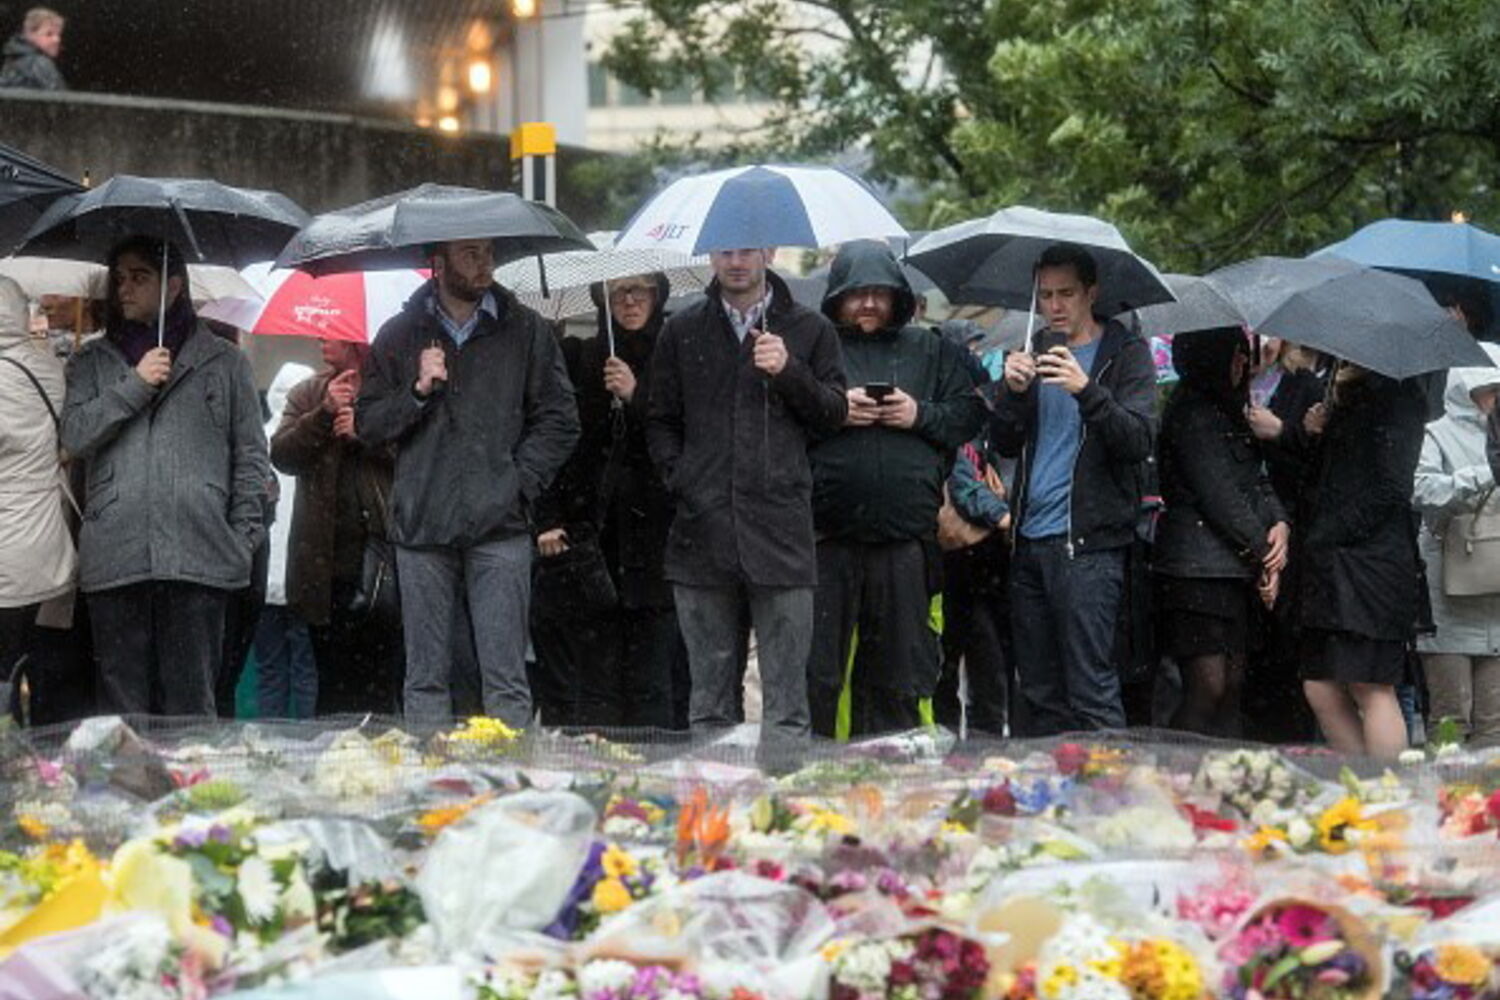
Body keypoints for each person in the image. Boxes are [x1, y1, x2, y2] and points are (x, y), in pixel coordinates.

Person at [357, 239, 579, 729]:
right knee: (425, 679)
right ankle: (432, 771)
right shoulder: (399, 334)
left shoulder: (526, 330)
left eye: (488, 253)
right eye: (471, 254)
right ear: (438, 263)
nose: (485, 264)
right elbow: (367, 425)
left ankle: (509, 773)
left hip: (500, 526)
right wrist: (416, 393)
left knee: (506, 679)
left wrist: (516, 483)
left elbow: (561, 419)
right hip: (422, 526)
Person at [648, 246, 847, 766]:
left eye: (747, 250)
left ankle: (781, 802)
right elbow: (659, 418)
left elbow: (834, 413)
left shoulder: (810, 328)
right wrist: (683, 478)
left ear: (769, 252)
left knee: (787, 702)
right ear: (712, 255)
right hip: (702, 531)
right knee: (709, 702)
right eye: (725, 251)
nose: (736, 261)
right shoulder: (682, 329)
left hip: (781, 532)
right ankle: (713, 801)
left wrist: (789, 371)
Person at [61, 237, 269, 716]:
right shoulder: (90, 362)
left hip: (199, 557)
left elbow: (251, 458)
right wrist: (134, 385)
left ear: (174, 286)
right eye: (119, 279)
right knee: (122, 718)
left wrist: (241, 540)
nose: (124, 289)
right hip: (116, 558)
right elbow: (74, 436)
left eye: (139, 277)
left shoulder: (225, 362)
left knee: (191, 713)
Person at [806, 241, 986, 738]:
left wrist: (917, 414)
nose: (868, 303)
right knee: (819, 673)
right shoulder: (816, 347)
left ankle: (893, 771)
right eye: (856, 293)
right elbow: (782, 421)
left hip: (905, 542)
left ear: (898, 297)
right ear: (837, 296)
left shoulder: (930, 349)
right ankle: (813, 770)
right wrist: (836, 410)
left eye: (879, 293)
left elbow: (968, 415)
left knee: (899, 675)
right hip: (826, 539)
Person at [990, 243, 1157, 735]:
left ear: (1091, 293)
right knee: (1039, 691)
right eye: (1045, 296)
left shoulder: (1125, 354)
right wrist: (1012, 394)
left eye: (1066, 294)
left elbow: (1138, 441)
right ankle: (1052, 783)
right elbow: (1003, 443)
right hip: (1029, 541)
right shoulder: (1031, 352)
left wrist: (1086, 390)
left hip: (1089, 547)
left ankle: (1110, 783)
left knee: (1091, 688)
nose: (1055, 306)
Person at [532, 272, 690, 728]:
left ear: (658, 296)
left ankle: (655, 767)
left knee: (653, 680)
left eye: (640, 290)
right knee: (594, 683)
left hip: (656, 544)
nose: (630, 301)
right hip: (591, 546)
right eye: (618, 292)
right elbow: (557, 442)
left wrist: (637, 397)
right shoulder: (581, 358)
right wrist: (548, 517)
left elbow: (684, 441)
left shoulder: (675, 356)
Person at [1153, 329, 1288, 736]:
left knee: (1231, 686)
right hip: (1196, 572)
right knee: (1207, 688)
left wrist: (1279, 523)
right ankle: (1173, 763)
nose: (1244, 365)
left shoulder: (1230, 409)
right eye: (1236, 355)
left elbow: (1256, 479)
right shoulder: (1192, 413)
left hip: (1232, 570)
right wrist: (1264, 554)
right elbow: (1220, 495)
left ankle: (1221, 767)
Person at [1294, 363, 1427, 758]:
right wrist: (1313, 433)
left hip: (1372, 564)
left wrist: (1328, 533)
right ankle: (1362, 782)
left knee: (1370, 684)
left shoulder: (1399, 394)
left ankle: (1387, 787)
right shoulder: (1350, 395)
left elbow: (1392, 487)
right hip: (1334, 563)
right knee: (1320, 685)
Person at [274, 339, 405, 716]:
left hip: (381, 563)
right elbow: (282, 456)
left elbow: (419, 459)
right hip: (324, 566)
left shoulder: (392, 392)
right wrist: (323, 414)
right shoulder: (309, 392)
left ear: (355, 340)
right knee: (330, 686)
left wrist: (366, 434)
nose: (320, 336)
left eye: (330, 331)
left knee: (380, 685)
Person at [1412, 349, 1500, 747]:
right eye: (1490, 389)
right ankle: (1444, 788)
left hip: (1495, 594)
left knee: (1494, 725)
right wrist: (1486, 473)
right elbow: (1422, 491)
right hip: (1449, 595)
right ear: (1466, 389)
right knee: (1450, 718)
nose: (1496, 398)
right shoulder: (1436, 433)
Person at [0, 276, 76, 713]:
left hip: (6, 549)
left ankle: (9, 745)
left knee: (4, 669)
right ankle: (42, 742)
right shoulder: (48, 368)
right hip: (48, 543)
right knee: (37, 662)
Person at [253, 362, 318, 719]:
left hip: (263, 577)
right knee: (307, 669)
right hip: (304, 576)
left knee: (270, 670)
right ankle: (309, 740)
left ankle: (268, 741)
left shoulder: (256, 441)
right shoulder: (313, 444)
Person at [0, 7, 65, 90]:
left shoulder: (13, 59)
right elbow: (59, 96)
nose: (57, 39)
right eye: (49, 34)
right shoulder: (38, 63)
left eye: (58, 34)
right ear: (29, 34)